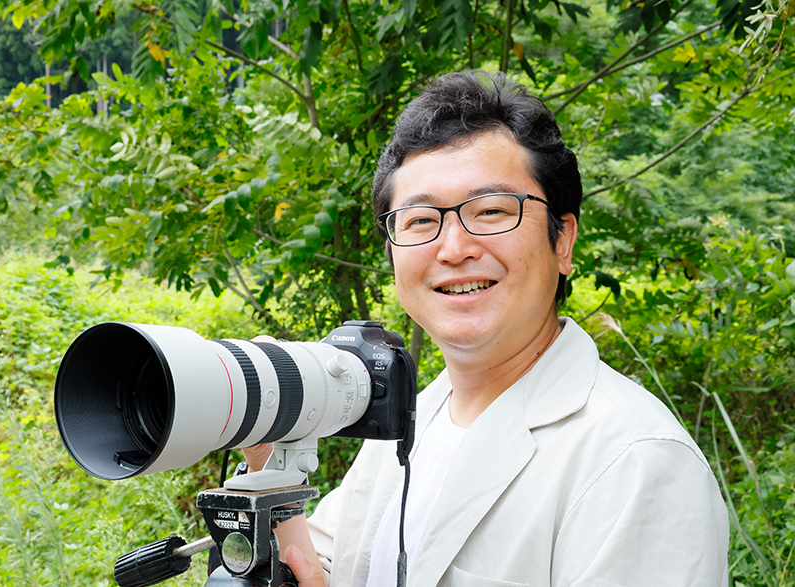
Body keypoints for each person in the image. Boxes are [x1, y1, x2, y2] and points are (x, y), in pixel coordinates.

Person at [243, 70, 729, 587]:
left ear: (563, 240)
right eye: (420, 220)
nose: (454, 249)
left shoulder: (636, 460)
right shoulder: (408, 421)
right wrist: (271, 456)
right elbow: (325, 568)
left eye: (492, 210)